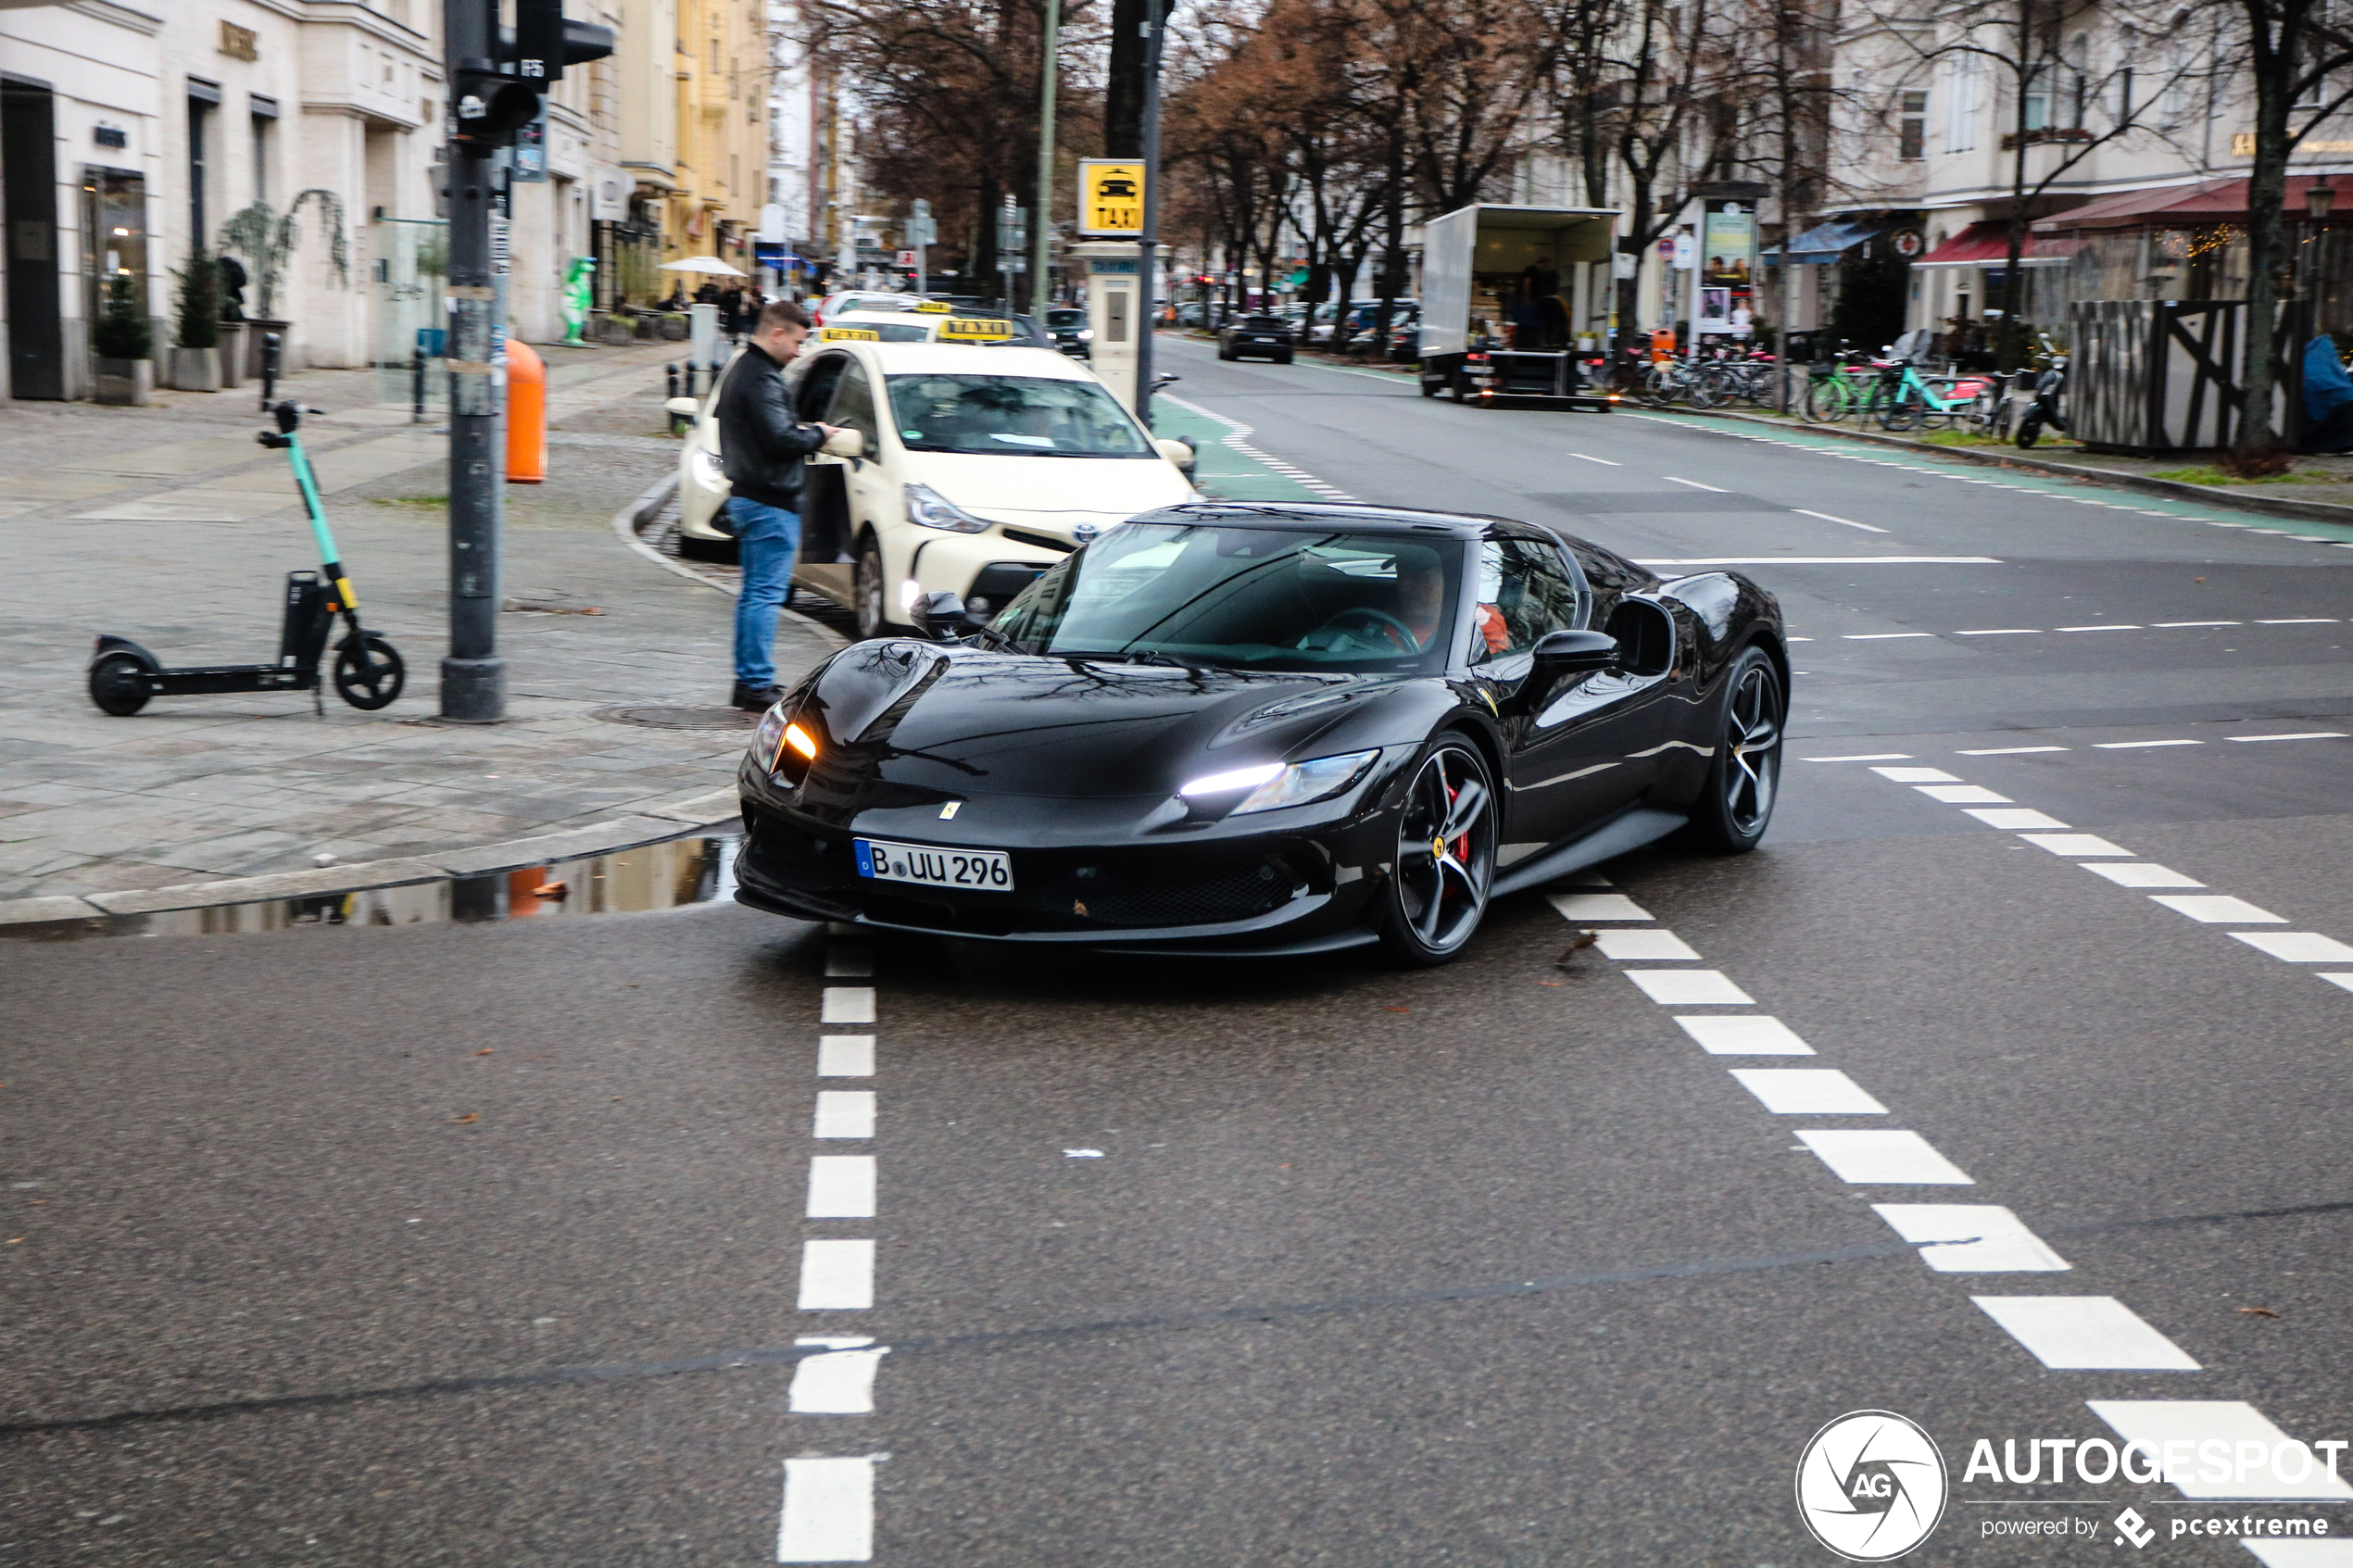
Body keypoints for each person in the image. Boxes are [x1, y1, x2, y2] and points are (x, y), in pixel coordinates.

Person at [713, 299, 846, 709]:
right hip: (770, 502)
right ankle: (755, 683)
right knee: (764, 596)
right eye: (796, 341)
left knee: (755, 594)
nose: (798, 351)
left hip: (753, 498)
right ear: (776, 333)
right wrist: (819, 434)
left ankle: (748, 680)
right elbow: (780, 440)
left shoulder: (743, 370)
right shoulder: (762, 379)